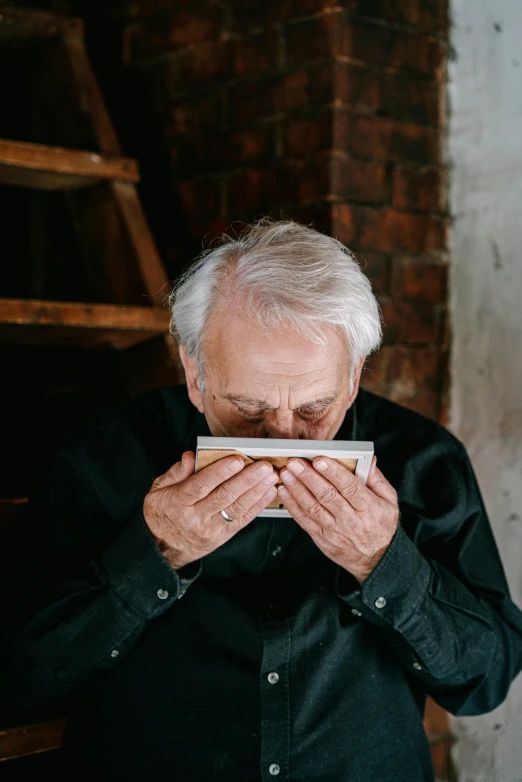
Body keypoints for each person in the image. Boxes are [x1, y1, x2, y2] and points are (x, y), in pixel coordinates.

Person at [9, 219, 522, 781]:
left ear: (352, 379)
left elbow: (485, 682)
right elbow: (24, 673)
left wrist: (384, 563)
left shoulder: (424, 461)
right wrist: (153, 552)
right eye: (248, 409)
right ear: (194, 373)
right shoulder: (102, 458)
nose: (281, 437)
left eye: (313, 408)